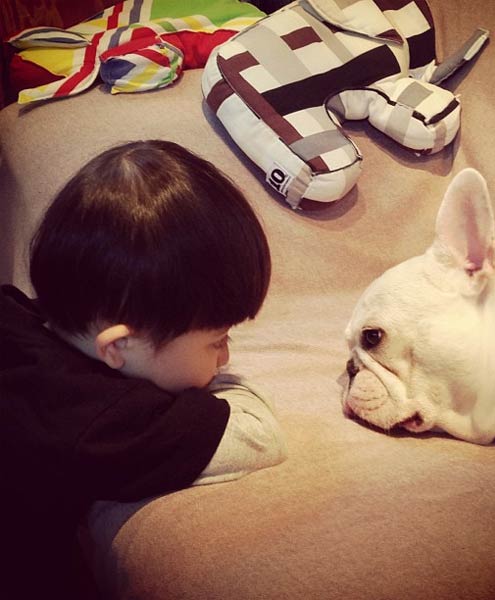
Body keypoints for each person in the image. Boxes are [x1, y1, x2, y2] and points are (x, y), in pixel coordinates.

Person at [0, 140, 287, 599]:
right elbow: (257, 434)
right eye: (218, 339)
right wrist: (223, 384)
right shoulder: (104, 424)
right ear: (119, 346)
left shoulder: (18, 314)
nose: (225, 357)